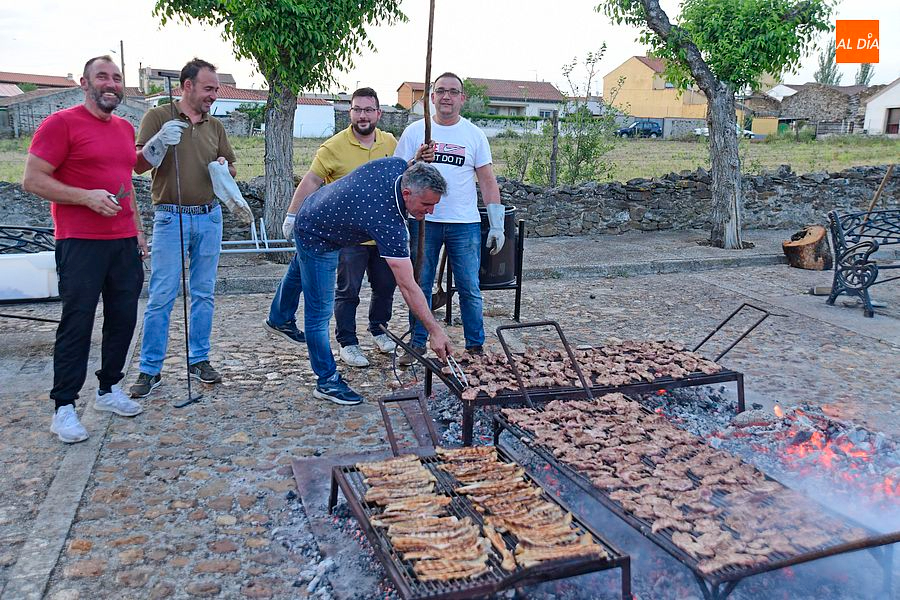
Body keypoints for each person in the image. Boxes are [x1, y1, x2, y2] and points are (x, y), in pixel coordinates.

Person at [22, 56, 146, 443]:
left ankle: (109, 389)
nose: (111, 84)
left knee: (124, 319)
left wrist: (138, 231)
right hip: (79, 242)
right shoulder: (60, 124)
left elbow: (124, 182)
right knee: (77, 323)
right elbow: (32, 180)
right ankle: (64, 408)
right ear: (85, 83)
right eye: (102, 77)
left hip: (123, 241)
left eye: (116, 78)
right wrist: (84, 198)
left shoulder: (125, 128)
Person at [292, 158, 453, 405]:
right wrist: (435, 330)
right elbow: (409, 286)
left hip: (316, 209)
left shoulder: (399, 167)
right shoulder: (388, 222)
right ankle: (326, 381)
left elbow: (411, 164)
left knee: (297, 271)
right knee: (319, 314)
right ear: (407, 193)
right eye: (426, 204)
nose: (430, 211)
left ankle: (278, 316)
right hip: (318, 235)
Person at [266, 87, 399, 368]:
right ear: (349, 112)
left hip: (382, 234)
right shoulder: (333, 146)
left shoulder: (390, 143)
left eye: (368, 110)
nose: (362, 115)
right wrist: (292, 215)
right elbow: (312, 181)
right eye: (357, 109)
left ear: (379, 113)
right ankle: (348, 342)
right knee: (347, 290)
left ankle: (379, 328)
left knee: (385, 285)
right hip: (348, 235)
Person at [128, 58, 237, 398]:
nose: (213, 95)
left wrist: (224, 168)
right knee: (161, 295)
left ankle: (199, 359)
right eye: (208, 88)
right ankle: (150, 369)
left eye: (215, 89)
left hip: (209, 216)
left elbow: (231, 167)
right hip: (170, 216)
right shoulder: (157, 117)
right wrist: (158, 142)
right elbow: (139, 165)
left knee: (203, 293)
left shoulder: (215, 126)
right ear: (187, 86)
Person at [394, 72, 506, 364]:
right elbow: (396, 174)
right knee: (421, 282)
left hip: (464, 223)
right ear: (431, 97)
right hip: (423, 222)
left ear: (462, 98)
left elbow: (487, 180)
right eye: (441, 91)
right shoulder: (416, 132)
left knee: (469, 286)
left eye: (453, 92)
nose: (446, 96)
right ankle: (418, 343)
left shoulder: (473, 134)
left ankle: (475, 346)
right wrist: (416, 159)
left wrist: (496, 223)